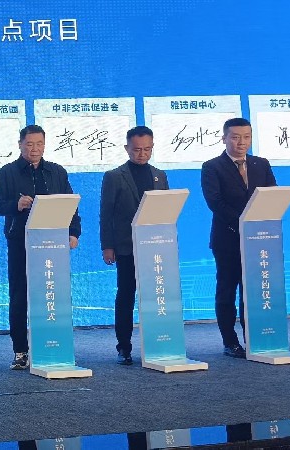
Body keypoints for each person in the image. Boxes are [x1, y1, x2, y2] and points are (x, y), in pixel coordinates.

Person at [0, 124, 81, 370]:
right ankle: (20, 350)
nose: (34, 149)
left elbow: (70, 204)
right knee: (20, 296)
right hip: (20, 243)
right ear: (20, 144)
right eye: (29, 144)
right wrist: (16, 204)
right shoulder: (7, 173)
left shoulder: (57, 172)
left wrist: (73, 232)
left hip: (53, 244)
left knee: (52, 293)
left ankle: (55, 346)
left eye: (39, 144)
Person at [200, 117, 277, 358]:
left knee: (252, 291)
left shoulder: (261, 164)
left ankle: (254, 339)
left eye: (246, 137)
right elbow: (215, 202)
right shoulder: (212, 167)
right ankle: (230, 342)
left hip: (258, 241)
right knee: (227, 290)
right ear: (224, 138)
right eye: (235, 137)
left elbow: (271, 196)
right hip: (228, 239)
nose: (241, 142)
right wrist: (244, 223)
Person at [99, 126, 169, 365]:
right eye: (137, 149)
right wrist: (107, 246)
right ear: (127, 148)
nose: (142, 154)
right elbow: (106, 214)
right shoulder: (114, 176)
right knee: (126, 296)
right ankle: (124, 347)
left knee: (156, 296)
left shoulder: (160, 175)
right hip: (126, 246)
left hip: (155, 247)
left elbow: (166, 210)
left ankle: (158, 343)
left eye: (147, 149)